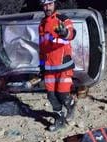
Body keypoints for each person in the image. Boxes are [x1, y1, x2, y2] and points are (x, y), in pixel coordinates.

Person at [38, 0, 76, 132]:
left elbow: (72, 34)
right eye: (45, 5)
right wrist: (42, 66)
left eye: (50, 4)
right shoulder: (42, 24)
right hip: (49, 68)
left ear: (54, 4)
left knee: (63, 95)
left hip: (63, 66)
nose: (47, 7)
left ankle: (71, 104)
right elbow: (42, 48)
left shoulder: (63, 19)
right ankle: (59, 120)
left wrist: (65, 33)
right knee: (51, 96)